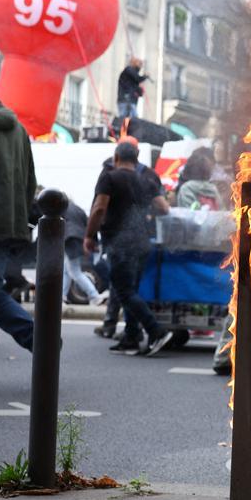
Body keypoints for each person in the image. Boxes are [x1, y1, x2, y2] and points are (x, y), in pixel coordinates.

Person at [84, 141, 173, 356]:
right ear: (136, 158)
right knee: (131, 290)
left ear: (116, 157)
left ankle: (155, 331)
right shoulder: (146, 179)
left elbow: (99, 208)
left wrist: (89, 235)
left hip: (119, 242)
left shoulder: (109, 177)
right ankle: (131, 337)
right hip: (142, 242)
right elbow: (164, 208)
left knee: (123, 291)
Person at [0, 71, 36, 352]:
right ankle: (37, 337)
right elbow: (29, 180)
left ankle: (37, 337)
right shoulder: (18, 129)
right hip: (6, 225)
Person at [62, 198, 106, 306]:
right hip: (80, 237)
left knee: (74, 271)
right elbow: (89, 222)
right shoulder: (78, 209)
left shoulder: (61, 207)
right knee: (66, 270)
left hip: (70, 238)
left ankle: (94, 296)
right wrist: (93, 241)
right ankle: (61, 296)